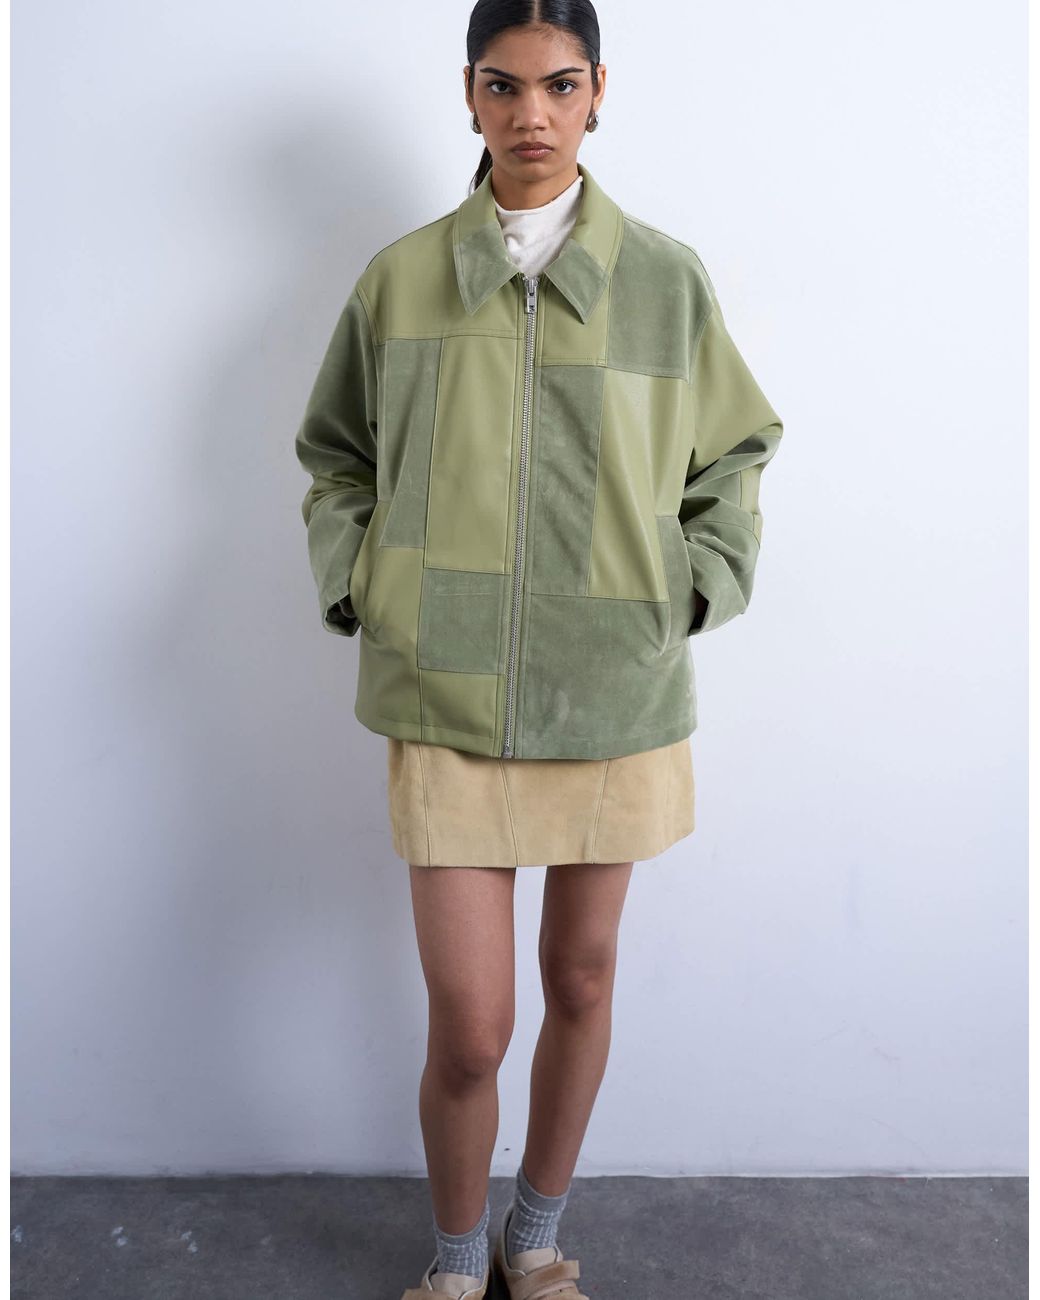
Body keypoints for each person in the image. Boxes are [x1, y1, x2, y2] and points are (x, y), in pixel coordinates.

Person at [293, 4, 784, 1297]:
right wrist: (365, 584)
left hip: (614, 681)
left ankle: (537, 1238)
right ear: (468, 94)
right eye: (503, 87)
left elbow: (735, 453)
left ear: (598, 90)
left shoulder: (664, 279)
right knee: (472, 1025)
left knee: (583, 977)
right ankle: (456, 1256)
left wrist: (690, 590)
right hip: (442, 685)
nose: (531, 115)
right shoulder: (401, 280)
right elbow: (336, 457)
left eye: (559, 85)